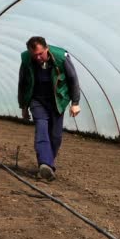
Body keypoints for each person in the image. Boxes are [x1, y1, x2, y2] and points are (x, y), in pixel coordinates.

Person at [17, 36, 81, 181]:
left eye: (41, 54)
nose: (38, 57)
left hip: (57, 100)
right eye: (35, 55)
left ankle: (48, 165)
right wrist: (23, 106)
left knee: (56, 136)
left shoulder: (61, 57)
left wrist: (75, 103)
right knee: (41, 128)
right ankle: (45, 164)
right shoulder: (26, 60)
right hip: (37, 100)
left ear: (47, 48)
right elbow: (22, 83)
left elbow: (73, 79)